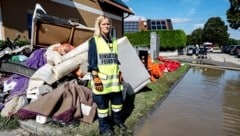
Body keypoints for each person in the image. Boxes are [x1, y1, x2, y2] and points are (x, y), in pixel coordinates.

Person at [87, 15, 126, 136]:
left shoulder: (113, 40)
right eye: (104, 24)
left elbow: (114, 58)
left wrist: (119, 72)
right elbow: (92, 61)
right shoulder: (94, 41)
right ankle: (104, 129)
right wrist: (95, 78)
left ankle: (117, 121)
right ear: (99, 26)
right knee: (103, 107)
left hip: (114, 81)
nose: (106, 26)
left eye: (108, 24)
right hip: (101, 81)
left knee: (117, 104)